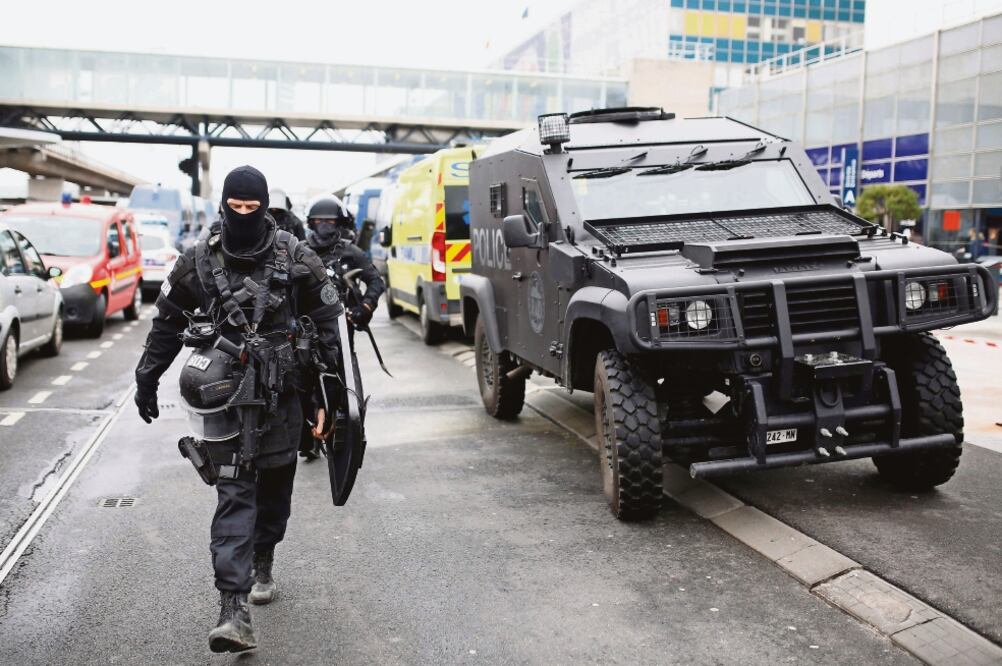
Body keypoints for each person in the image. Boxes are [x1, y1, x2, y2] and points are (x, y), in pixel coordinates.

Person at [134, 166, 345, 653]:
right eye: (236, 206)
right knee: (233, 495)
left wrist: (330, 402)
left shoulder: (297, 257)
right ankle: (233, 608)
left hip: (284, 396)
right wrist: (147, 379)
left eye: (253, 208)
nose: (243, 215)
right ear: (224, 204)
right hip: (224, 399)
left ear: (265, 206)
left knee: (274, 490)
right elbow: (165, 325)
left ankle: (263, 558)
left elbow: (330, 333)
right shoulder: (198, 263)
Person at [297, 195, 385, 461]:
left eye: (330, 221)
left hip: (340, 330)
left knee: (347, 380)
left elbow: (376, 281)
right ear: (311, 223)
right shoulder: (299, 250)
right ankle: (308, 435)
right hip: (305, 330)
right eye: (319, 221)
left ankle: (353, 432)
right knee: (303, 382)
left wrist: (363, 309)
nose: (324, 226)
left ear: (340, 223)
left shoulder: (350, 252)